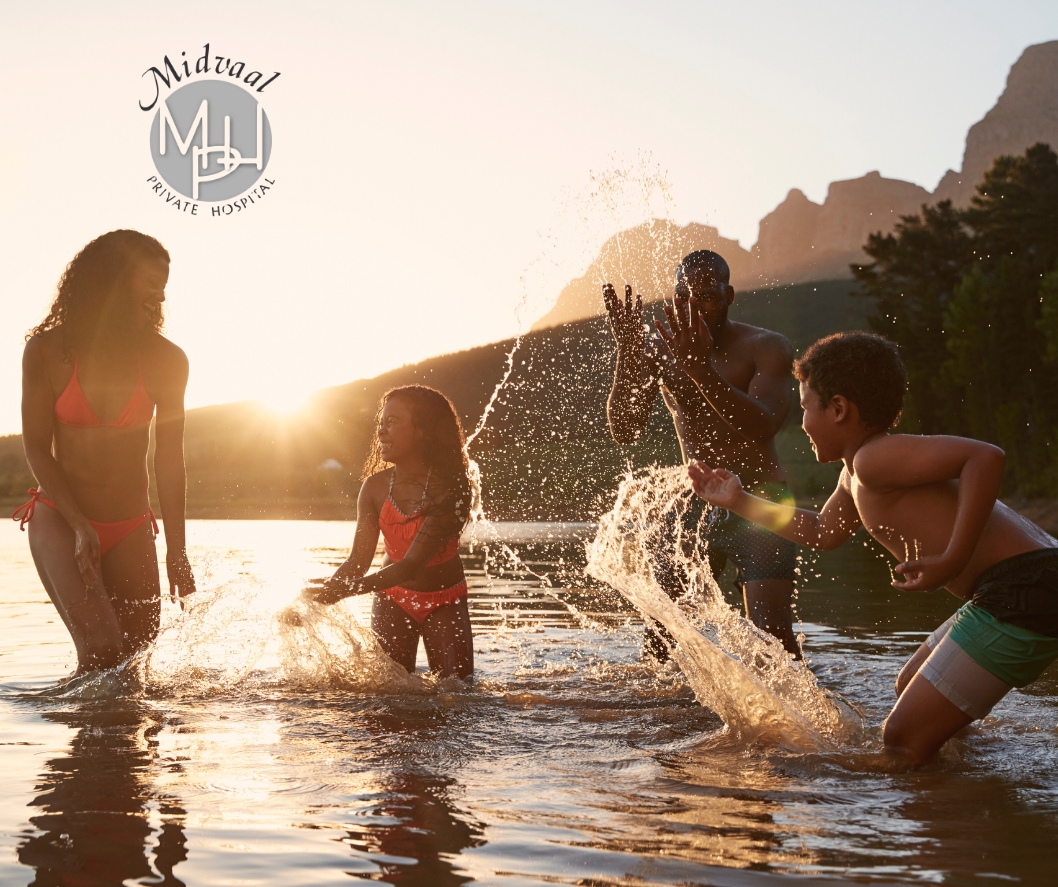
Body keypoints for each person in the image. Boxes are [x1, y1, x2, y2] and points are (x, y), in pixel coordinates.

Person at [687, 330, 1058, 765]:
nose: (801, 422)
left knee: (901, 739)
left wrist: (953, 558)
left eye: (805, 407)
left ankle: (948, 792)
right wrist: (738, 500)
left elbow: (985, 457)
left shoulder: (875, 458)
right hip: (1019, 586)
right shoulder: (855, 474)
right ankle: (973, 776)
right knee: (909, 687)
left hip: (1025, 588)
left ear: (838, 409)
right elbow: (823, 531)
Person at [15, 230, 196, 675]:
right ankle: (64, 721)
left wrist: (177, 552)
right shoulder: (48, 352)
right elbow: (36, 447)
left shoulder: (167, 359)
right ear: (113, 280)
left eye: (163, 287)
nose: (160, 296)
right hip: (61, 519)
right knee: (101, 650)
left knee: (132, 667)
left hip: (130, 525)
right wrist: (79, 525)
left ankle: (100, 726)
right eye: (151, 283)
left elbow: (169, 460)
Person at [605, 250, 801, 658]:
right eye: (683, 297)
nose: (694, 307)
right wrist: (629, 350)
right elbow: (625, 430)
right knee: (660, 644)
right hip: (691, 504)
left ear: (729, 296)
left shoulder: (765, 346)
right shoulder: (661, 351)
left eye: (707, 296)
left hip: (761, 499)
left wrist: (699, 369)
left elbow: (764, 424)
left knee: (773, 641)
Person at [306, 386, 475, 679]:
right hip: (392, 598)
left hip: (445, 600)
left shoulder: (451, 490)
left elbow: (411, 565)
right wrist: (318, 600)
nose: (381, 431)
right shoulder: (373, 488)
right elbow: (357, 561)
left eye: (393, 422)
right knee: (389, 692)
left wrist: (343, 590)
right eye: (381, 423)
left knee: (458, 692)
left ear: (423, 431)